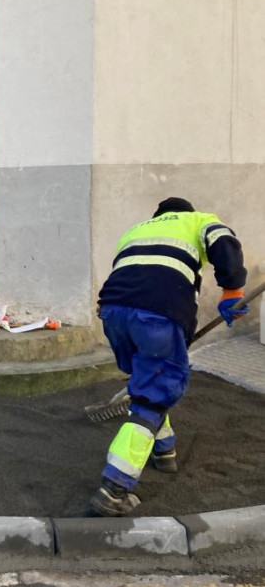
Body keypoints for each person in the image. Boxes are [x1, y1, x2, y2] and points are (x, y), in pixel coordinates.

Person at [91, 197, 248, 516]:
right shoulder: (198, 221)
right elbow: (225, 243)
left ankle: (164, 450)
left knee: (148, 379)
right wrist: (232, 291)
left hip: (113, 312)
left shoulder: (136, 230)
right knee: (153, 394)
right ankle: (115, 488)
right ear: (184, 213)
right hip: (159, 315)